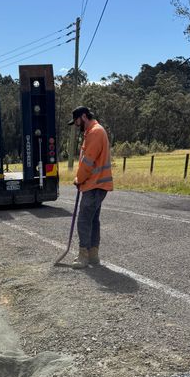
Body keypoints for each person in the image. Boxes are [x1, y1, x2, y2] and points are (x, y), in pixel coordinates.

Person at [69, 106, 113, 269]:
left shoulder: (95, 132)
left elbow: (88, 162)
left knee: (84, 220)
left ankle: (84, 256)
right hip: (95, 184)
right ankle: (93, 255)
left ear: (83, 117)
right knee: (93, 220)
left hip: (94, 184)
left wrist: (78, 179)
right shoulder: (93, 132)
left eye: (76, 121)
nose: (76, 125)